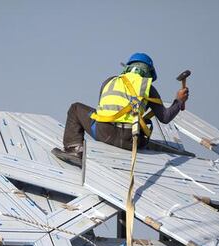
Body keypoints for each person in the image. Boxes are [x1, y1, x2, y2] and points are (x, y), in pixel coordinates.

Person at [53, 52, 190, 167]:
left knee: (76, 108)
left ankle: (75, 150)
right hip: (131, 141)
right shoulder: (148, 87)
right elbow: (165, 117)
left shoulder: (110, 81)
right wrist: (179, 101)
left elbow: (102, 110)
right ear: (149, 73)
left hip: (104, 134)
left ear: (127, 68)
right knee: (146, 124)